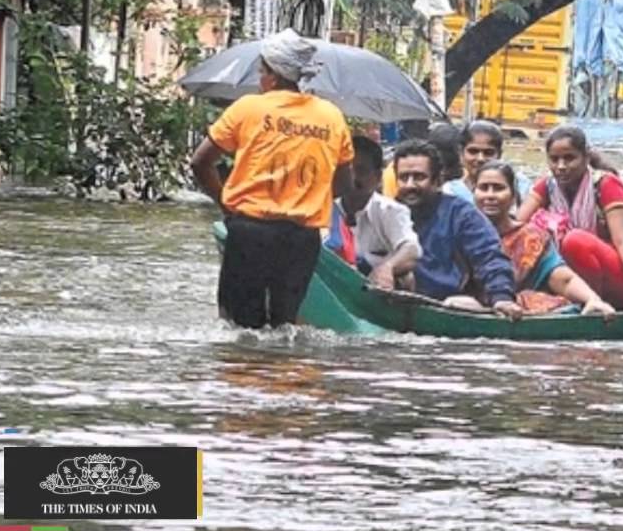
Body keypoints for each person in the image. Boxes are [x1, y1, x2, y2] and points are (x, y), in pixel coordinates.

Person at [190, 29, 356, 329]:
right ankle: (278, 374)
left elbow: (200, 162)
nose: (259, 79)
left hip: (248, 231)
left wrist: (225, 203)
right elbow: (345, 182)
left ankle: (242, 372)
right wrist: (310, 199)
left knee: (237, 326)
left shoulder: (248, 107)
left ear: (274, 74)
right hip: (301, 238)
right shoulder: (332, 117)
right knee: (285, 324)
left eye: (261, 71)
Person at [517, 125, 623, 311]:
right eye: (554, 159)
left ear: (586, 157)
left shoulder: (607, 184)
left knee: (575, 240)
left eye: (569, 158)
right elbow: (516, 227)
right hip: (571, 278)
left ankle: (589, 304)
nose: (561, 166)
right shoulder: (547, 185)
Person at [392, 139, 524, 320]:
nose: (410, 185)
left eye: (419, 177)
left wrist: (501, 298)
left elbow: (489, 257)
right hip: (400, 301)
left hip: (451, 306)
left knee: (456, 303)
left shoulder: (462, 214)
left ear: (437, 180)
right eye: (403, 177)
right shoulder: (388, 213)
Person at [473, 161, 616, 317]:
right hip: (470, 304)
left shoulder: (531, 237)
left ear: (513, 197)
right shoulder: (460, 232)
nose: (490, 195)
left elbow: (562, 279)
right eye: (483, 188)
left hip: (519, 309)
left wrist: (592, 299)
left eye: (498, 188)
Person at [325, 135, 422, 291]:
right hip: (334, 291)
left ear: (377, 177)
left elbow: (411, 249)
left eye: (361, 170)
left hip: (374, 293)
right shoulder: (324, 210)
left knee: (406, 277)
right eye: (348, 170)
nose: (353, 178)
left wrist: (387, 268)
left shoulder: (390, 211)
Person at [444, 120, 532, 203]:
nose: (480, 158)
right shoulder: (450, 192)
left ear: (500, 155)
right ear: (461, 154)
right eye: (473, 151)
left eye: (488, 153)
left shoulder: (521, 186)